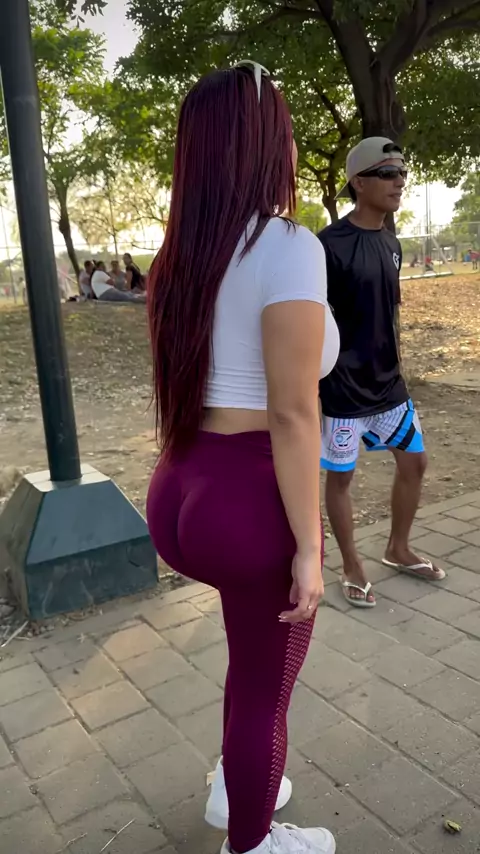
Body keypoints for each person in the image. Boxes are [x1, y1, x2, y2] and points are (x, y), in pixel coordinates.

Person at [146, 62, 339, 854]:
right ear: (261, 142)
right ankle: (251, 843)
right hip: (249, 499)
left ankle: (237, 787)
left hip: (182, 488)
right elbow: (294, 412)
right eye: (284, 129)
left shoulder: (181, 254)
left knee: (251, 658)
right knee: (268, 685)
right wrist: (311, 547)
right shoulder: (286, 245)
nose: (291, 145)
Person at [318, 137, 445, 608]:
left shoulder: (392, 242)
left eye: (403, 174)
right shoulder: (326, 246)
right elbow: (312, 321)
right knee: (341, 479)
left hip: (390, 386)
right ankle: (351, 565)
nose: (400, 182)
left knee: (415, 463)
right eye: (389, 174)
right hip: (344, 391)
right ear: (359, 181)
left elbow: (387, 314)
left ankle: (398, 548)